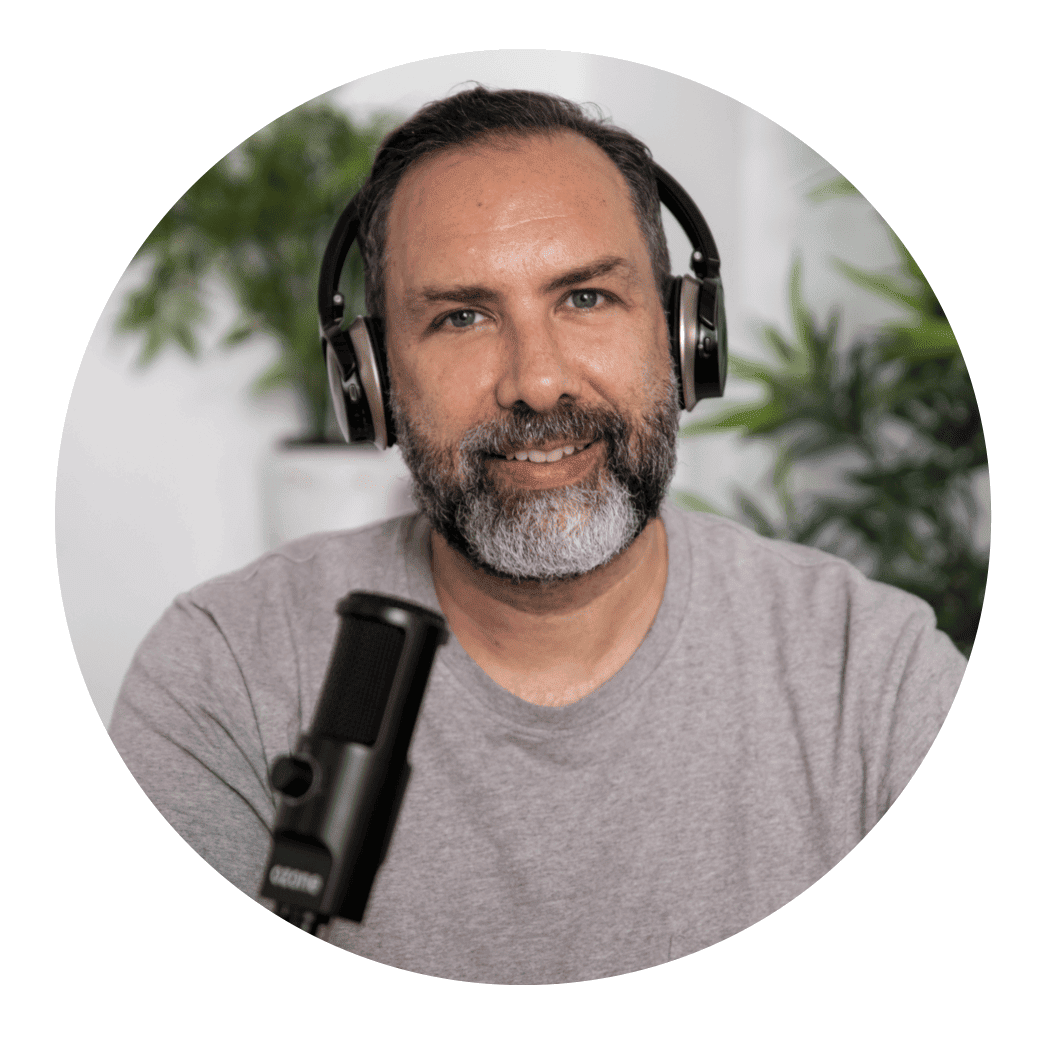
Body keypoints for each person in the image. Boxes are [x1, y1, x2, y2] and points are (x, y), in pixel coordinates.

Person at [110, 88, 965, 985]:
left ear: (684, 338)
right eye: (461, 317)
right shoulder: (225, 670)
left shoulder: (875, 675)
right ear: (374, 382)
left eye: (586, 297)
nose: (538, 382)